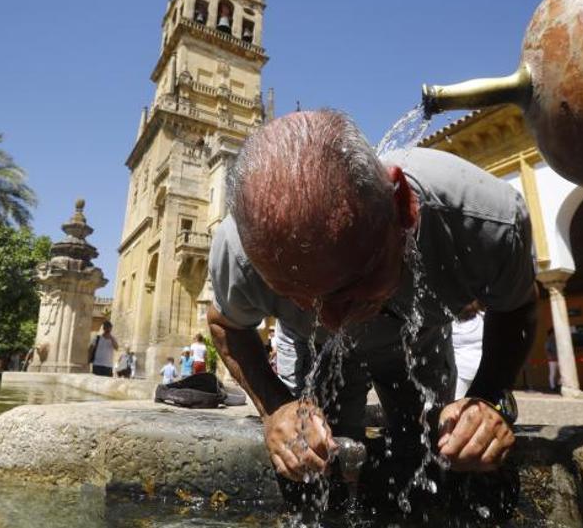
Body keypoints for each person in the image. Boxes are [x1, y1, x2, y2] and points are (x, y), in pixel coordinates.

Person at [207, 109, 537, 486]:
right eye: (301, 299)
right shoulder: (240, 252)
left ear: (403, 207)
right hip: (316, 353)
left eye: (351, 287)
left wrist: (487, 398)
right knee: (315, 460)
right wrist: (276, 406)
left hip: (418, 342)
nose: (334, 321)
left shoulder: (480, 220)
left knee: (435, 452)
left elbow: (517, 307)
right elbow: (226, 325)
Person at [452, 302, 485, 400]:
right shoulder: (449, 323)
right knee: (455, 406)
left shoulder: (483, 318)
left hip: (482, 372)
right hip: (460, 375)